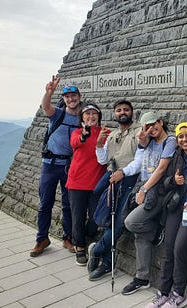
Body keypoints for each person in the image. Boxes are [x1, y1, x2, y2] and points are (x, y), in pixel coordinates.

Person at [146, 122, 187, 308]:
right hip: (176, 207)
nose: (185, 139)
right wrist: (173, 181)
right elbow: (163, 183)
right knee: (169, 249)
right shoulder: (176, 156)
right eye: (181, 137)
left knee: (180, 247)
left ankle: (179, 294)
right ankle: (163, 292)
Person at [88, 99, 143, 281]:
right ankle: (106, 263)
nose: (122, 112)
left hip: (130, 182)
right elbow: (103, 160)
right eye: (119, 110)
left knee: (119, 222)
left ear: (132, 113)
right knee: (109, 219)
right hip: (113, 180)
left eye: (126, 109)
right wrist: (98, 144)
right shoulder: (111, 135)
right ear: (115, 114)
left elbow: (140, 160)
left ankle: (97, 250)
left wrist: (123, 172)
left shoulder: (139, 132)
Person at [122, 112, 176, 295]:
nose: (151, 129)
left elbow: (161, 169)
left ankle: (154, 231)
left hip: (158, 192)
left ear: (161, 122)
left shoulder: (170, 141)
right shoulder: (148, 141)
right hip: (145, 188)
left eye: (154, 125)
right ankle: (142, 277)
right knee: (140, 235)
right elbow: (142, 144)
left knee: (132, 222)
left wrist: (144, 190)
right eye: (147, 127)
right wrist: (143, 134)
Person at [30, 76, 81, 257]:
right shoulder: (58, 114)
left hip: (69, 166)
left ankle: (68, 238)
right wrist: (49, 92)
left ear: (79, 97)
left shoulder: (82, 119)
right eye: (67, 96)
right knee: (45, 204)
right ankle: (42, 238)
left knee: (68, 204)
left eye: (73, 96)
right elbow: (46, 107)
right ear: (64, 99)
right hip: (50, 165)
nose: (70, 99)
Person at [65, 102, 106, 265]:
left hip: (97, 183)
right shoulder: (77, 132)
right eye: (87, 114)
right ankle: (79, 247)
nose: (91, 117)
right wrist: (85, 133)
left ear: (99, 116)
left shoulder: (106, 133)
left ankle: (87, 236)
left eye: (94, 113)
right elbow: (76, 142)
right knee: (78, 217)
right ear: (81, 117)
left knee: (97, 217)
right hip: (77, 182)